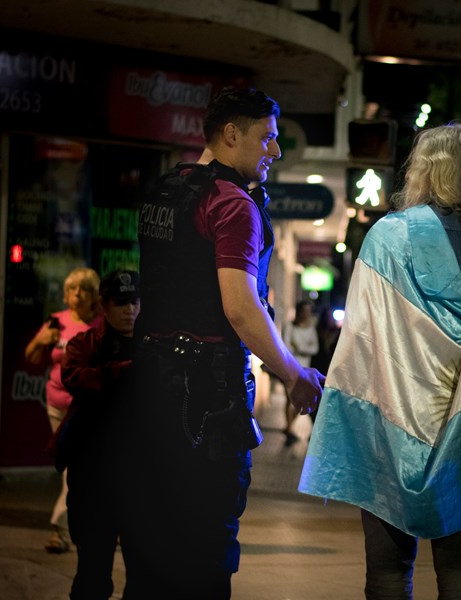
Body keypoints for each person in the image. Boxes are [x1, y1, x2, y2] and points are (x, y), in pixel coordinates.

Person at [299, 122, 461, 599]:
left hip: (391, 431)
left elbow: (362, 345)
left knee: (388, 576)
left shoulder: (388, 238)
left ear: (423, 171)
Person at [123, 86, 325, 599]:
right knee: (206, 555)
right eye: (268, 137)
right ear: (232, 134)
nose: (275, 150)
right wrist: (294, 375)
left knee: (149, 546)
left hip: (149, 391)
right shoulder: (232, 205)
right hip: (205, 405)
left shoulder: (166, 190)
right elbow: (240, 308)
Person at [59, 269, 140, 600]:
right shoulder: (85, 344)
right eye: (121, 303)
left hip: (141, 478)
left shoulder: (156, 348)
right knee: (92, 574)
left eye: (134, 301)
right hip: (94, 476)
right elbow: (75, 378)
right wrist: (123, 372)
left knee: (143, 577)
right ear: (104, 305)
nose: (130, 310)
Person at [24, 266, 103, 554]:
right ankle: (71, 528)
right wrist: (40, 341)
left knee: (80, 467)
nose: (77, 295)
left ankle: (64, 529)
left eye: (84, 289)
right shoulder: (56, 321)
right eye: (72, 289)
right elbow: (32, 356)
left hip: (87, 407)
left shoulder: (101, 324)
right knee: (74, 466)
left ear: (95, 296)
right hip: (57, 407)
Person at [281, 299, 319, 445]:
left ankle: (289, 427)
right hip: (290, 367)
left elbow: (314, 348)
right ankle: (289, 428)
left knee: (299, 400)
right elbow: (287, 346)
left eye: (309, 311)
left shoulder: (311, 328)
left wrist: (299, 347)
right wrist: (302, 348)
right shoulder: (290, 326)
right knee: (289, 398)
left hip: (305, 369)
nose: (307, 314)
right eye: (305, 311)